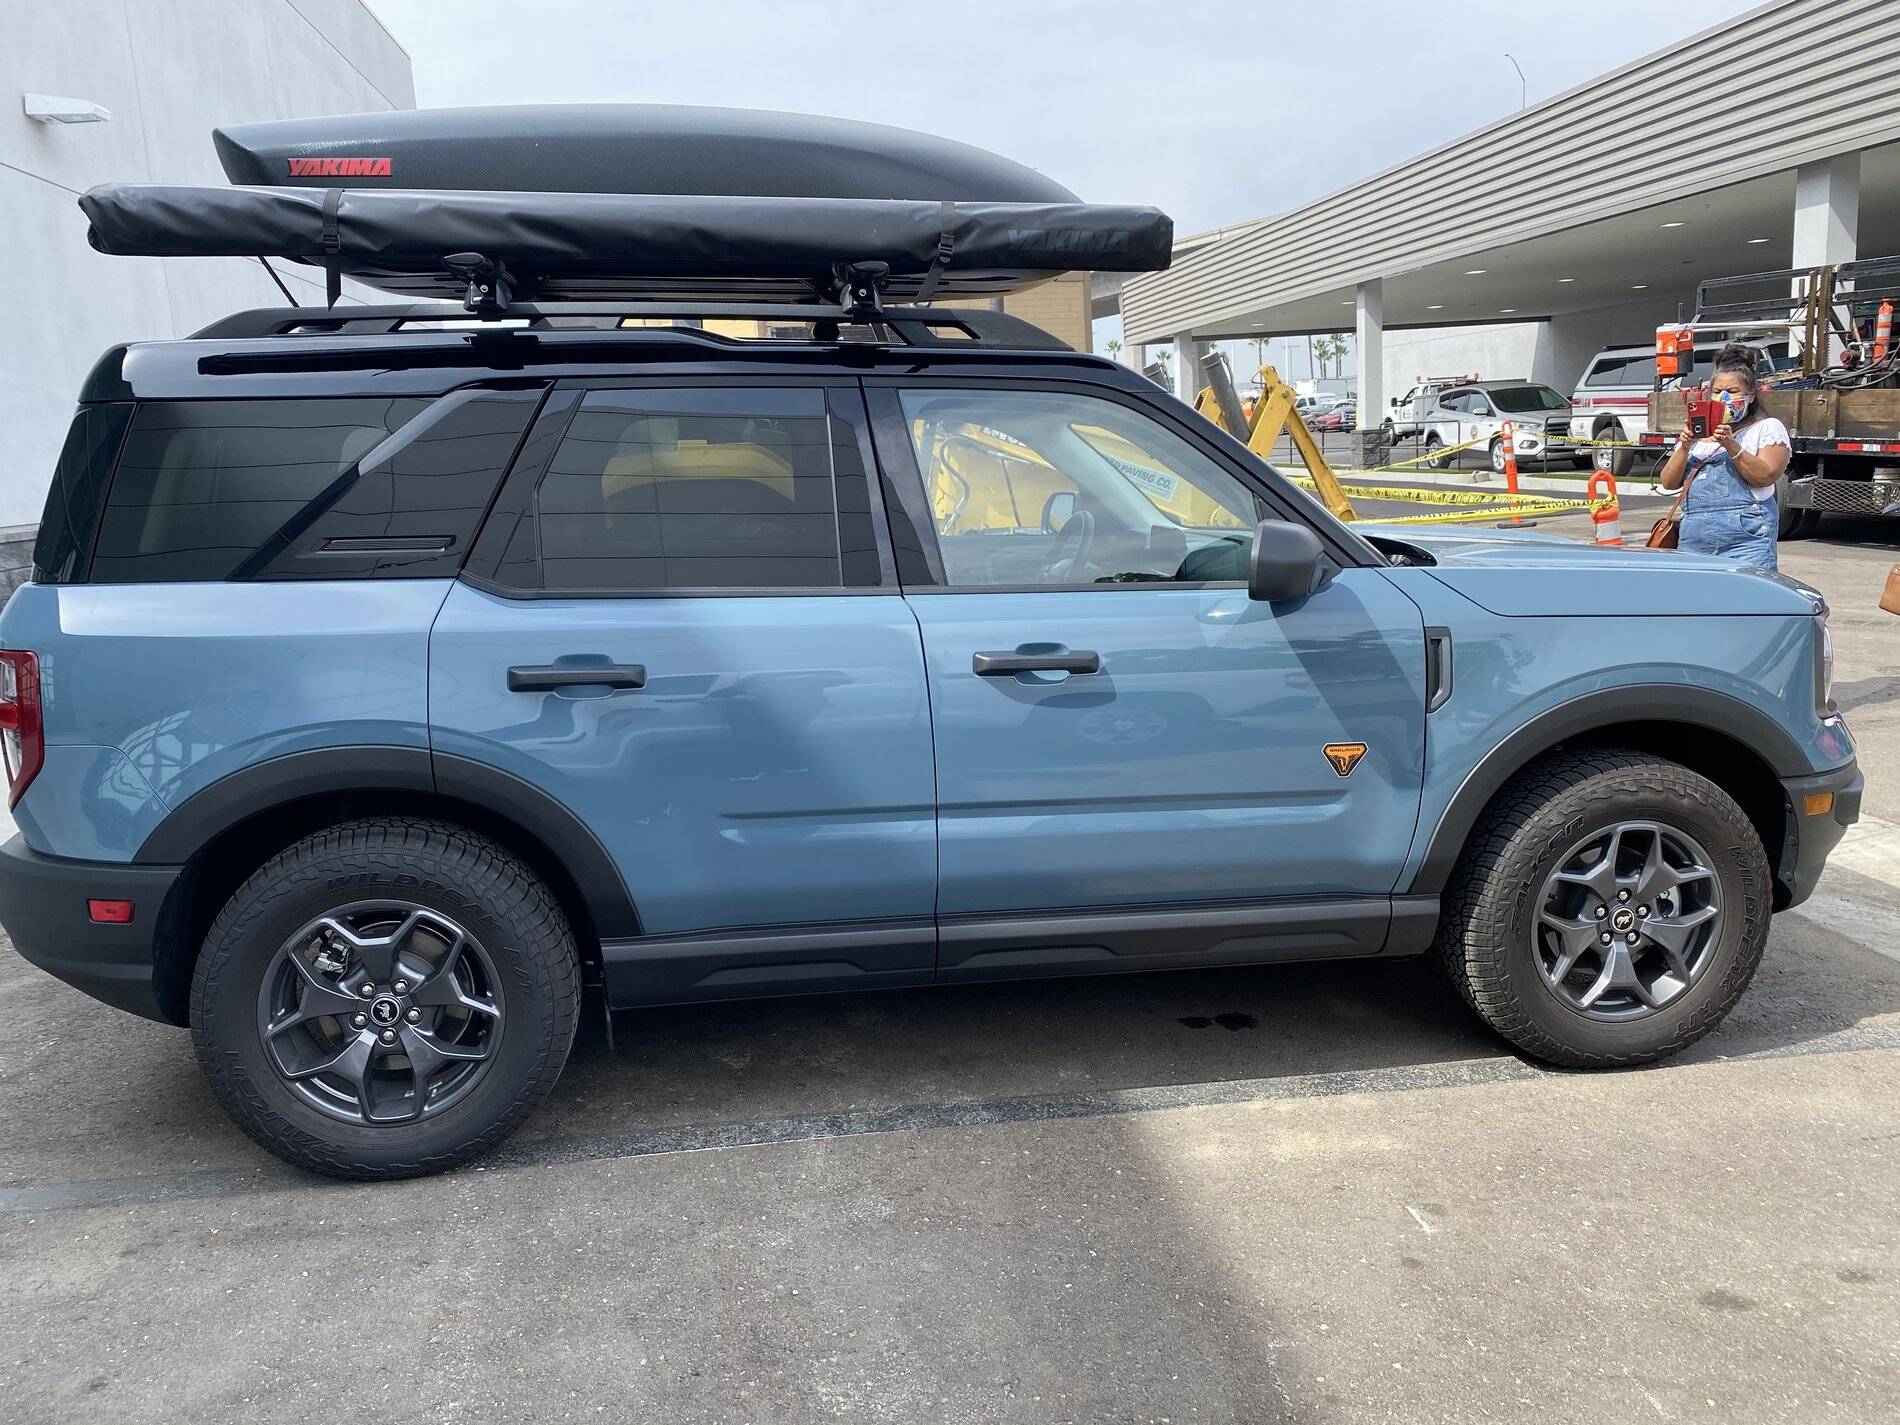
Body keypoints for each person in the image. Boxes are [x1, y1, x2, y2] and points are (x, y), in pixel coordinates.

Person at [1656, 344, 1792, 569]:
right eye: (1717, 392)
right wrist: (1684, 447)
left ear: (1751, 394)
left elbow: (1764, 477)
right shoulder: (1698, 436)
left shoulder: (1766, 428)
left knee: (1748, 601)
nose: (1724, 397)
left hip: (1746, 541)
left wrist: (1730, 444)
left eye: (1734, 391)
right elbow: (1668, 482)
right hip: (1694, 539)